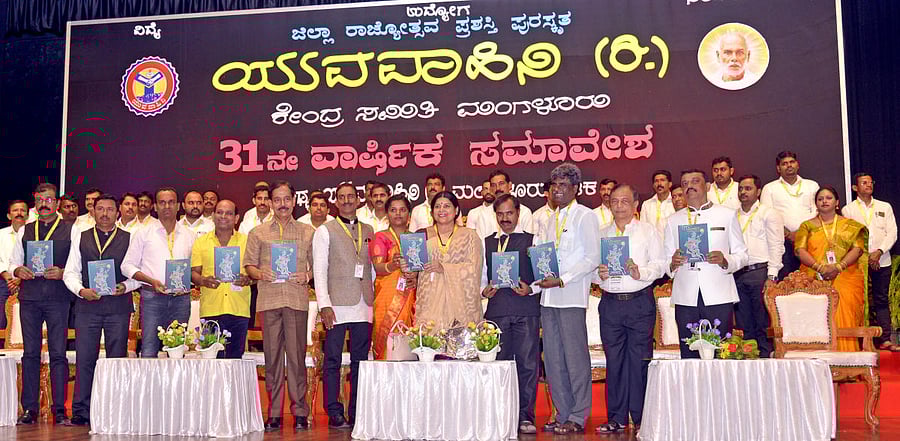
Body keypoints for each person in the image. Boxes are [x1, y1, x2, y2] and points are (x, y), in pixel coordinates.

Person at [535, 163, 600, 435]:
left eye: (563, 185)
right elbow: (544, 259)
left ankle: (578, 414)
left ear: (576, 189)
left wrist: (564, 278)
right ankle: (561, 413)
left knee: (575, 358)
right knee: (552, 360)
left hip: (571, 295)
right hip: (548, 298)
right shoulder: (549, 219)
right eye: (554, 185)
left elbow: (592, 257)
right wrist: (537, 284)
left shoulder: (585, 216)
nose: (558, 190)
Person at [594, 184, 665, 434]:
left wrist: (640, 272)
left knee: (639, 361)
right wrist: (598, 273)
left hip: (638, 301)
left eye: (625, 201)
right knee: (614, 362)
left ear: (636, 205)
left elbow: (661, 265)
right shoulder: (601, 233)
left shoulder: (648, 231)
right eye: (614, 201)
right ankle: (616, 417)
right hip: (611, 304)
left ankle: (642, 417)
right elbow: (592, 271)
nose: (619, 206)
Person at [245, 181, 315, 431]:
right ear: (271, 202)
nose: (282, 204)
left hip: (296, 300)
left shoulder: (308, 232)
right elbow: (249, 266)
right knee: (272, 359)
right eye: (277, 200)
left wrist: (306, 276)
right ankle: (274, 413)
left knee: (297, 359)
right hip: (269, 300)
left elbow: (317, 266)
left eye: (287, 199)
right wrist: (260, 273)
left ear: (295, 201)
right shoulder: (258, 233)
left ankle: (299, 412)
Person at [62, 194, 138, 426]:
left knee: (116, 359)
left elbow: (139, 274)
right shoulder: (81, 237)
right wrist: (80, 290)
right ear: (92, 212)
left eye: (109, 210)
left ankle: (115, 410)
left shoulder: (130, 238)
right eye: (100, 209)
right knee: (85, 359)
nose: (105, 214)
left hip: (118, 306)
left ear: (118, 213)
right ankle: (81, 411)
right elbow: (70, 272)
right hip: (88, 306)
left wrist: (126, 286)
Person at [9, 183, 76, 425]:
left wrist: (63, 272)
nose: (44, 204)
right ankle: (30, 409)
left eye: (49, 199)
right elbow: (12, 263)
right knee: (30, 354)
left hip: (58, 298)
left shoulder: (71, 230)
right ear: (35, 204)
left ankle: (60, 410)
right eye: (40, 200)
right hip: (30, 298)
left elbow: (77, 264)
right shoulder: (25, 231)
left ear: (56, 203)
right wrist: (18, 269)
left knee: (58, 354)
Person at [665, 170, 748, 359]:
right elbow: (664, 260)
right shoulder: (673, 220)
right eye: (685, 183)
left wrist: (725, 260)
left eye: (695, 181)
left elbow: (742, 255)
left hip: (718, 294)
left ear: (707, 186)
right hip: (686, 296)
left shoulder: (726, 215)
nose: (689, 186)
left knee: (721, 353)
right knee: (689, 352)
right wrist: (672, 263)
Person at [313, 182, 375, 429]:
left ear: (359, 200)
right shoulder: (325, 231)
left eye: (351, 196)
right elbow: (319, 270)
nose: (347, 200)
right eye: (342, 197)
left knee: (361, 361)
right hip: (336, 304)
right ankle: (334, 410)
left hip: (364, 303)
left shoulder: (370, 229)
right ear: (335, 202)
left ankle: (357, 408)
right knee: (332, 360)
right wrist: (324, 304)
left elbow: (372, 268)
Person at [479, 193, 541, 434]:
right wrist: (485, 291)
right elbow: (481, 278)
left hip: (526, 311)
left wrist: (531, 288)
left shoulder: (533, 240)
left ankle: (526, 416)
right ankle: (500, 414)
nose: (505, 218)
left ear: (518, 213)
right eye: (500, 214)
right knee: (498, 366)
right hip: (497, 312)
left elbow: (544, 275)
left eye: (509, 213)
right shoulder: (486, 242)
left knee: (527, 365)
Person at [121, 187, 197, 358]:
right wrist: (150, 281)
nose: (167, 206)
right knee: (149, 349)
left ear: (178, 206)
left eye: (171, 202)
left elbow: (194, 268)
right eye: (162, 202)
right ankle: (148, 386)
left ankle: (176, 385)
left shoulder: (190, 235)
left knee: (177, 351)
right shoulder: (143, 233)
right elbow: (127, 266)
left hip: (181, 299)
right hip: (152, 298)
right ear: (155, 206)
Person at [794, 187, 867, 352]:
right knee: (815, 316)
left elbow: (858, 249)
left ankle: (847, 360)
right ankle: (818, 362)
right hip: (814, 277)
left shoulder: (850, 226)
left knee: (845, 312)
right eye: (820, 199)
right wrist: (819, 267)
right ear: (816, 204)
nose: (824, 201)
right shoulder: (807, 226)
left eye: (828, 198)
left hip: (846, 275)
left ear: (837, 203)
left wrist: (839, 267)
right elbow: (799, 250)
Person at [842, 173, 899, 351]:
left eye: (870, 182)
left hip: (882, 259)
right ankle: (860, 340)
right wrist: (866, 256)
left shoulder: (884, 206)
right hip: (858, 262)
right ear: (855, 188)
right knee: (860, 300)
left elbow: (892, 233)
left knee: (881, 300)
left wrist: (879, 252)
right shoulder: (848, 210)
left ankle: (885, 339)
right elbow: (849, 238)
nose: (868, 185)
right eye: (864, 182)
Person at [411, 190, 484, 329]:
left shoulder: (469, 236)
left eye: (447, 206)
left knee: (459, 347)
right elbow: (414, 269)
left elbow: (474, 270)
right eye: (437, 206)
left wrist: (444, 268)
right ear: (432, 212)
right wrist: (406, 266)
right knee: (430, 345)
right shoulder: (422, 235)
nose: (441, 210)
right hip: (430, 304)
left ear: (456, 210)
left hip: (461, 307)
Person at [191, 200, 253, 359]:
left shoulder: (247, 242)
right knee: (212, 361)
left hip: (238, 309)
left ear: (236, 217)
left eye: (229, 213)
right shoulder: (200, 242)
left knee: (235, 360)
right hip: (211, 309)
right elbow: (193, 273)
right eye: (219, 212)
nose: (223, 216)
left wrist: (249, 279)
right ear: (213, 215)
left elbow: (256, 272)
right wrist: (204, 281)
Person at [734, 175, 784, 357]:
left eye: (748, 188)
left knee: (762, 321)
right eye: (740, 189)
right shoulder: (733, 215)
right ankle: (748, 359)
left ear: (758, 191)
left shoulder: (768, 213)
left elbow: (777, 245)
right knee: (743, 322)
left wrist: (772, 275)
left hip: (760, 272)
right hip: (737, 273)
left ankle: (765, 359)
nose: (743, 192)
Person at [369, 194, 418, 360]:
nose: (398, 214)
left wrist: (416, 277)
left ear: (409, 215)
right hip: (387, 297)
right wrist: (393, 265)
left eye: (402, 210)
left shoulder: (415, 239)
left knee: (408, 339)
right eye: (393, 210)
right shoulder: (380, 237)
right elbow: (378, 267)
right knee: (387, 341)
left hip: (411, 296)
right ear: (387, 214)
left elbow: (421, 268)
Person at [760, 151, 819, 279]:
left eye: (792, 162)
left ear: (797, 165)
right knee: (786, 282)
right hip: (783, 243)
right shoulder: (769, 188)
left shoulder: (812, 185)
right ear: (778, 168)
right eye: (784, 163)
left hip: (810, 239)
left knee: (812, 281)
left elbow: (818, 212)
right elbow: (767, 217)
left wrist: (802, 233)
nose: (789, 165)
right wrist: (788, 234)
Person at [0, 200, 28, 331]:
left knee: (27, 321)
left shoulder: (33, 233)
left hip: (28, 281)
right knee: (2, 321)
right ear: (8, 215)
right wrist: (9, 278)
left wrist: (20, 278)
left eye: (22, 210)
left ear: (27, 215)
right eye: (15, 210)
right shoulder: (1, 234)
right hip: (4, 282)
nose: (19, 213)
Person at [485, 170, 533, 235]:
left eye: (501, 183)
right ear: (490, 188)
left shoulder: (524, 212)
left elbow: (528, 241)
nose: (498, 188)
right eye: (493, 185)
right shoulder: (483, 213)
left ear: (510, 185)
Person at [640, 170, 675, 236]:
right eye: (656, 181)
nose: (659, 184)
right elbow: (643, 228)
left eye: (662, 180)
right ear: (653, 185)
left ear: (670, 184)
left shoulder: (676, 202)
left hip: (673, 243)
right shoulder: (646, 204)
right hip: (652, 244)